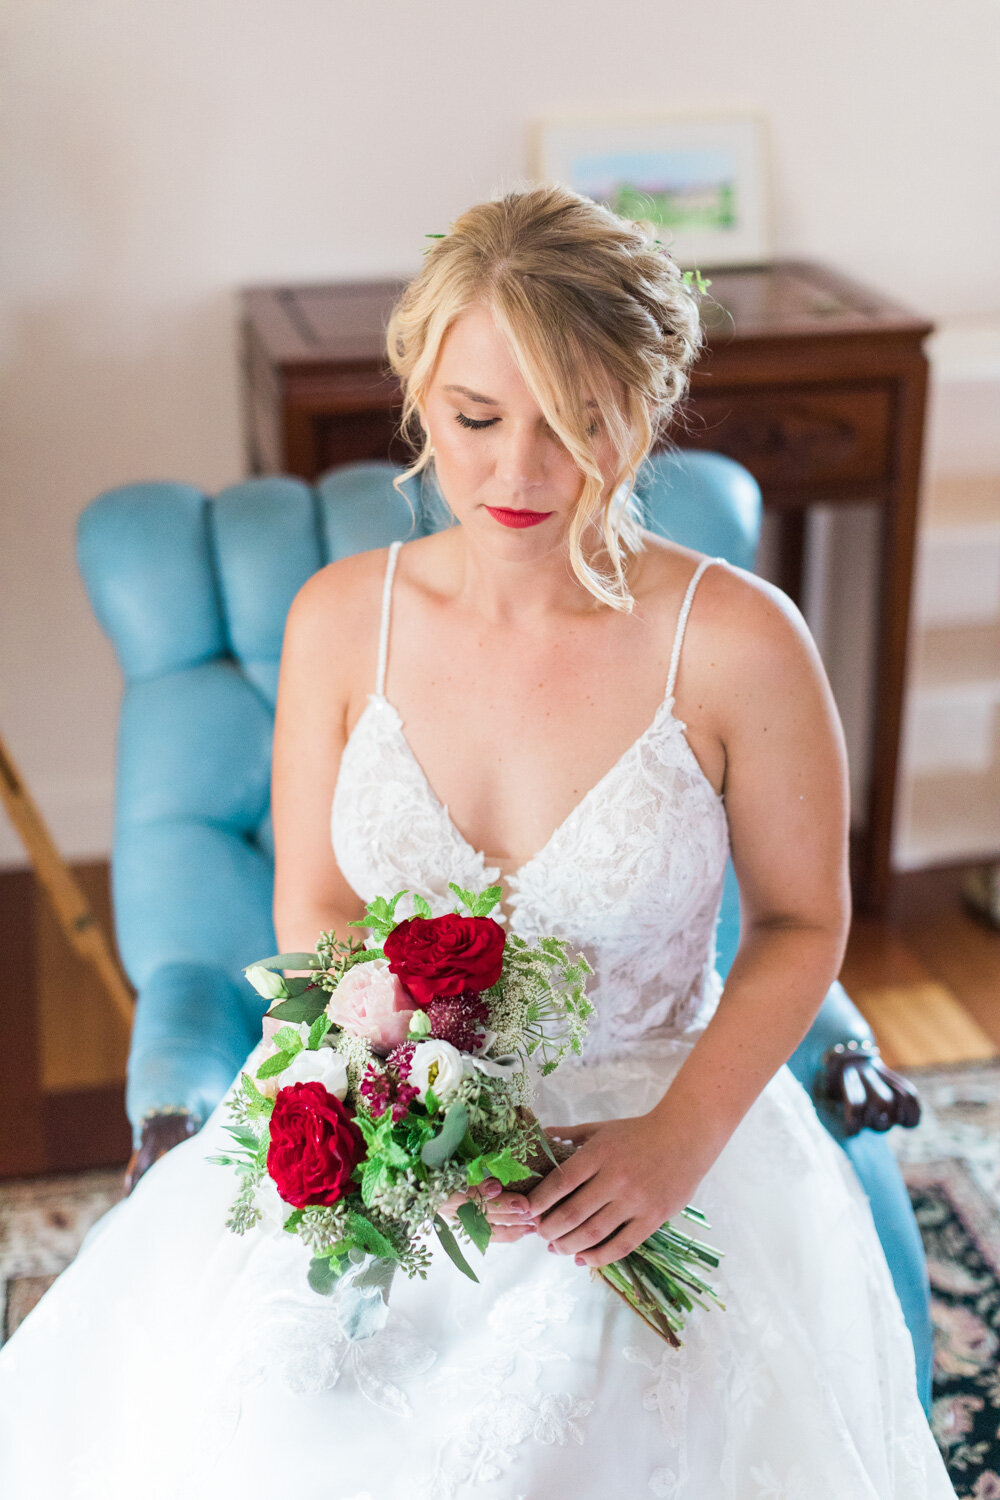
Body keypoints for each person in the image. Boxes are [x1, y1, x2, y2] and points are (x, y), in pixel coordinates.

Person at [0, 184, 957, 1499]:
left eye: (577, 421)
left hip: (656, 1128)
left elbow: (803, 923)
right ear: (419, 396)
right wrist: (401, 1091)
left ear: (648, 407)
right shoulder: (341, 621)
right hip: (390, 1124)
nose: (521, 474)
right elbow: (316, 903)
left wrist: (675, 1142)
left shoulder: (742, 642)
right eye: (477, 417)